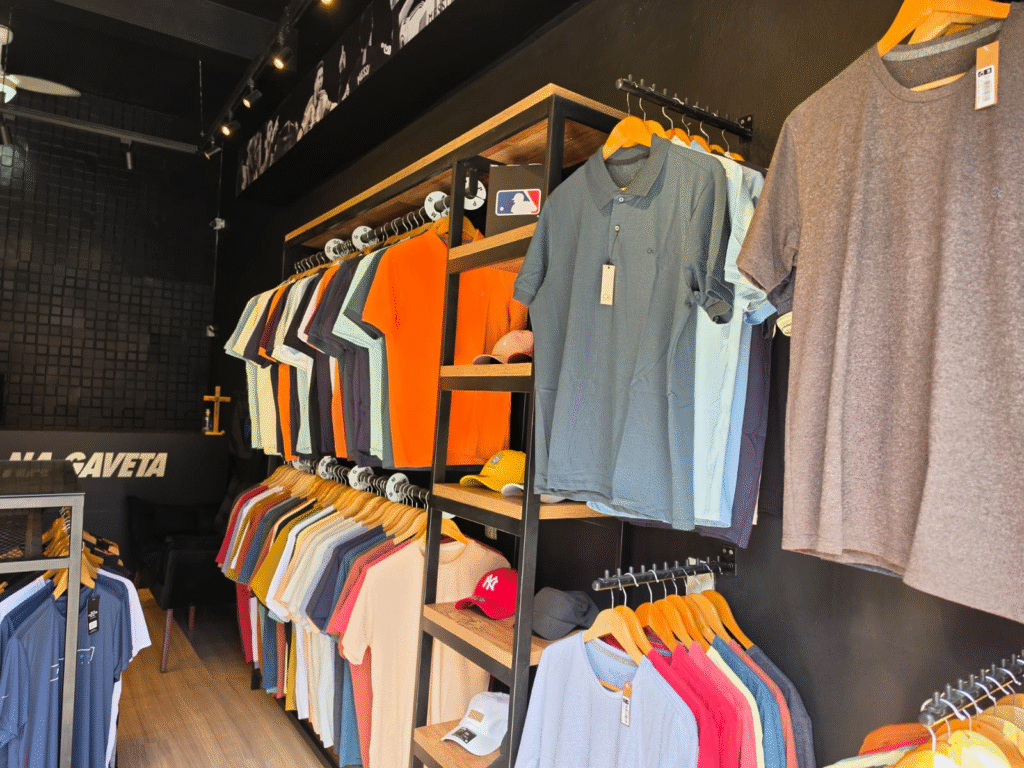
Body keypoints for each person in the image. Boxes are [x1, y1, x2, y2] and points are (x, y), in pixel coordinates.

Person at [298, 62, 337, 140]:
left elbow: (332, 106)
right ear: (314, 83)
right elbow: (302, 128)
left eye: (322, 76)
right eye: (319, 77)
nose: (321, 81)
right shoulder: (310, 102)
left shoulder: (324, 97)